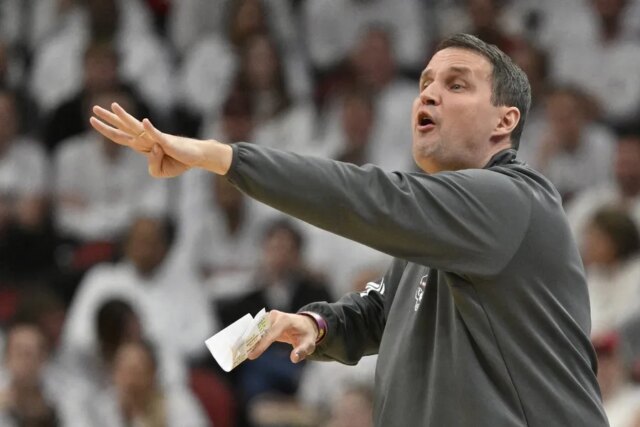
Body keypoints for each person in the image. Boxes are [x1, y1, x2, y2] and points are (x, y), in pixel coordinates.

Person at [89, 34, 608, 426]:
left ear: (504, 121)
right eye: (425, 83)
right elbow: (382, 310)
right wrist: (317, 325)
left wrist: (223, 157)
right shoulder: (441, 228)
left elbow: (369, 197)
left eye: (455, 85)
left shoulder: (512, 200)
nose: (429, 95)